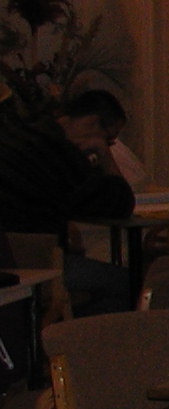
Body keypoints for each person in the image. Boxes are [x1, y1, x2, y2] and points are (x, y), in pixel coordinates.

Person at [0, 94, 133, 315]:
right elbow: (119, 204)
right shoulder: (59, 151)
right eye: (109, 140)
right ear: (93, 123)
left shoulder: (20, 133)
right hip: (33, 262)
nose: (107, 145)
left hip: (10, 256)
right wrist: (104, 155)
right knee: (129, 282)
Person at [59, 90, 147, 190]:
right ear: (92, 123)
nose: (106, 145)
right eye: (107, 139)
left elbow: (119, 195)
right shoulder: (50, 151)